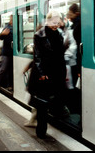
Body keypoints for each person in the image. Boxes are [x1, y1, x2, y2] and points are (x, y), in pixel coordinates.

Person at [28, 11, 68, 139]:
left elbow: (60, 54)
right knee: (42, 104)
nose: (55, 25)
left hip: (58, 72)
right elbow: (37, 57)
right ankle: (41, 131)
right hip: (44, 73)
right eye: (53, 23)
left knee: (56, 99)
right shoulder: (39, 35)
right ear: (48, 21)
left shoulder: (60, 34)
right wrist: (42, 74)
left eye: (57, 23)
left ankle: (56, 124)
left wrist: (64, 71)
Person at [0, 15, 13, 94]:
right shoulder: (6, 27)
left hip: (13, 53)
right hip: (6, 53)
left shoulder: (16, 25)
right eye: (11, 18)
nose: (12, 20)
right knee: (3, 69)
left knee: (11, 71)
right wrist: (3, 34)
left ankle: (10, 85)